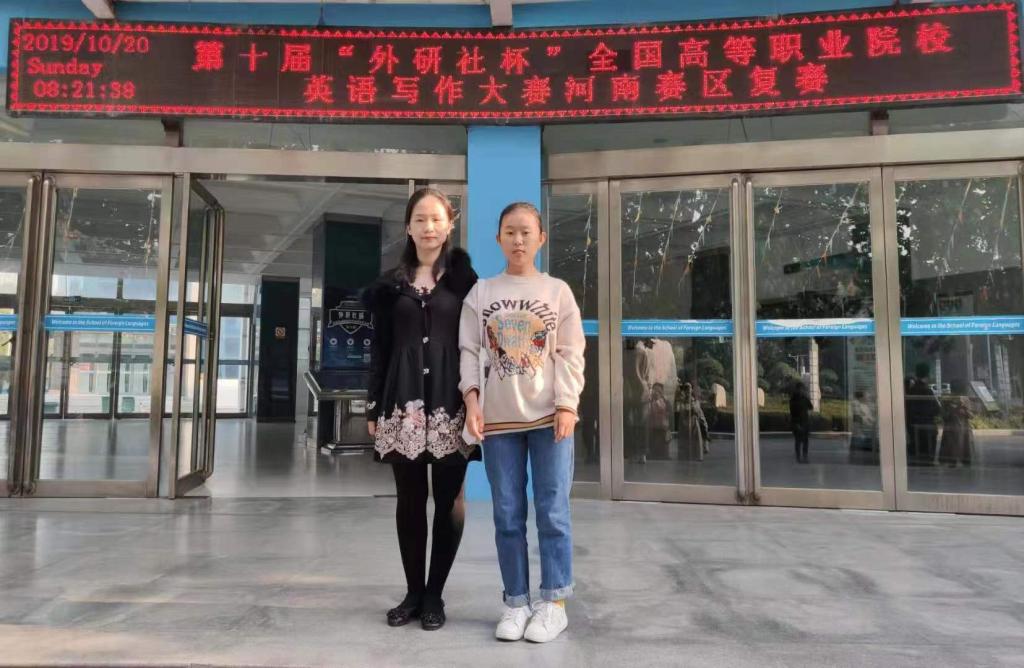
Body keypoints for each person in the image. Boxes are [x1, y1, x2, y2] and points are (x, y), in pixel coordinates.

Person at [459, 201, 585, 644]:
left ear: (540, 239)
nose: (518, 240)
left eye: (526, 232)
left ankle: (554, 604)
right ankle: (515, 602)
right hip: (499, 423)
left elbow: (571, 353)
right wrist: (472, 400)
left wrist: (567, 404)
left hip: (550, 419)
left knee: (553, 512)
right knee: (507, 515)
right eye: (510, 232)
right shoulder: (481, 293)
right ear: (498, 239)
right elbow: (469, 352)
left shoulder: (557, 291)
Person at [362, 188, 478, 631]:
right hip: (402, 401)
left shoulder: (467, 283)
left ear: (449, 226)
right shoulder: (389, 286)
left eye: (437, 220)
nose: (429, 227)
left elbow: (477, 347)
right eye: (420, 220)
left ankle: (435, 595)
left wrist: (477, 401)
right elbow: (380, 349)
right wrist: (373, 405)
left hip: (452, 400)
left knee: (449, 500)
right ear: (408, 228)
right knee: (409, 500)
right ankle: (412, 593)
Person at [905, 362, 941, 466]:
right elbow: (937, 409)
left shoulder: (911, 390)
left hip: (912, 427)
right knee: (927, 457)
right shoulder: (927, 390)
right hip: (927, 427)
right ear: (927, 375)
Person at [938, 380, 975, 468]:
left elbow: (971, 415)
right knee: (954, 447)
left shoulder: (964, 400)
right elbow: (944, 415)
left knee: (960, 446)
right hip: (955, 428)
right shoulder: (947, 400)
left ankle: (957, 461)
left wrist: (964, 410)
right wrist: (953, 409)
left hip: (959, 428)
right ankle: (955, 461)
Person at [676, 381, 708, 461]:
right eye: (686, 389)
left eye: (689, 388)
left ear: (691, 390)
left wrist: (693, 408)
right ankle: (684, 456)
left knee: (696, 438)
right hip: (684, 423)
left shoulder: (695, 401)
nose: (688, 391)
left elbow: (698, 412)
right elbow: (678, 409)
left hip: (693, 422)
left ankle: (698, 453)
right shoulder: (681, 401)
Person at [789, 380, 813, 464]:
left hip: (805, 422)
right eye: (800, 389)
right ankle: (798, 457)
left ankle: (805, 456)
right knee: (798, 441)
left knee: (805, 441)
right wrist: (796, 424)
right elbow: (792, 413)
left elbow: (811, 407)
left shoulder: (805, 398)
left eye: (802, 389)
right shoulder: (793, 399)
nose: (801, 390)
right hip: (797, 422)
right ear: (797, 389)